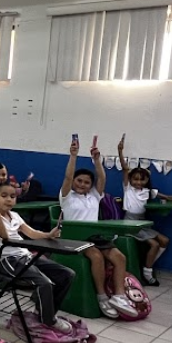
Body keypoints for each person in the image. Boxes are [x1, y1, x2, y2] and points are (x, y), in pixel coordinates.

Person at [0, 180, 77, 332]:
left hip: (26, 255)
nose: (9, 199)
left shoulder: (15, 215)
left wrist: (48, 234)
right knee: (45, 283)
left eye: (12, 196)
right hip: (9, 261)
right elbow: (4, 236)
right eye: (4, 196)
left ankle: (44, 312)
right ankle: (48, 320)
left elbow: (31, 233)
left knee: (67, 274)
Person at [61, 136, 132, 319]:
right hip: (74, 238)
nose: (82, 184)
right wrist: (73, 155)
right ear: (73, 181)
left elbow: (102, 177)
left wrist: (97, 160)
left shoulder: (94, 196)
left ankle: (119, 296)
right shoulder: (66, 197)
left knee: (119, 256)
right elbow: (68, 176)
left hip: (95, 237)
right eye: (79, 181)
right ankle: (101, 296)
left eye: (86, 182)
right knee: (96, 256)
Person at [118, 138, 172, 286]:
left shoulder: (148, 191)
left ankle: (147, 266)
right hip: (130, 224)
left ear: (146, 181)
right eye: (135, 179)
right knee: (154, 245)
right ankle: (147, 274)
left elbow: (167, 197)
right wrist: (120, 151)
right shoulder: (128, 189)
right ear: (130, 180)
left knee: (165, 241)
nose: (138, 182)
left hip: (143, 223)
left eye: (142, 180)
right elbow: (125, 169)